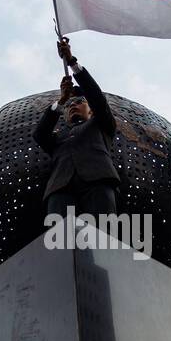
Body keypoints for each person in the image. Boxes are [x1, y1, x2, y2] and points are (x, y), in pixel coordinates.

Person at [33, 37, 121, 221]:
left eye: (79, 102)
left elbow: (97, 98)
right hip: (60, 188)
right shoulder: (57, 138)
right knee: (59, 243)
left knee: (101, 240)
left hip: (98, 182)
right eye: (69, 105)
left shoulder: (101, 124)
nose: (73, 105)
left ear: (90, 110)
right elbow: (39, 135)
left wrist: (72, 62)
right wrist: (61, 100)